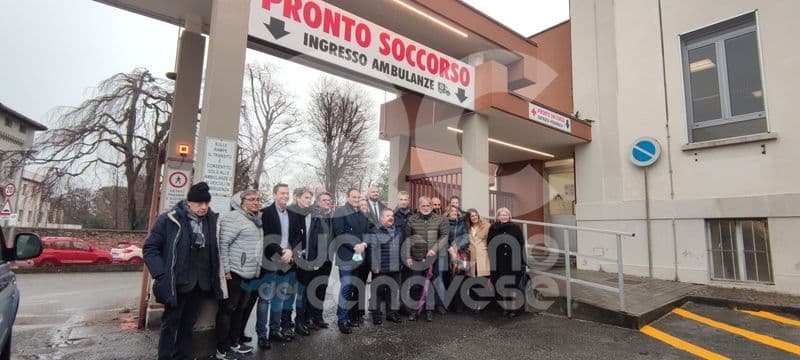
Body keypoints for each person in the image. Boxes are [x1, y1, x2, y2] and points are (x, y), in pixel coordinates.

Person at [143, 182, 226, 360]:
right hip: (177, 283)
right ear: (189, 202)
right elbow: (150, 248)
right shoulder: (169, 219)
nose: (203, 207)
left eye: (206, 203)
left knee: (188, 325)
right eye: (199, 203)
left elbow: (216, 251)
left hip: (200, 284)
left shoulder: (212, 221)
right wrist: (161, 274)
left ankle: (182, 356)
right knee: (170, 324)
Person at [215, 190, 263, 359]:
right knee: (228, 309)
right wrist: (226, 270)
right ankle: (222, 348)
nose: (256, 202)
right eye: (251, 199)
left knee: (240, 309)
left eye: (258, 199)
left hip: (250, 273)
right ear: (242, 202)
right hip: (235, 272)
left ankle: (234, 342)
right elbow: (223, 244)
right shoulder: (234, 217)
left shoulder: (255, 219)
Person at [257, 184, 298, 344]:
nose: (285, 196)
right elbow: (267, 237)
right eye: (282, 193)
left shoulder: (293, 214)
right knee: (265, 299)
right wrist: (281, 252)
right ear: (274, 195)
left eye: (287, 193)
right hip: (270, 261)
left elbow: (296, 236)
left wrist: (290, 251)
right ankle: (262, 334)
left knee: (279, 298)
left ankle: (275, 330)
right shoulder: (266, 213)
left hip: (287, 262)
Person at [403, 196, 449, 322]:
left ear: (431, 206)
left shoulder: (440, 219)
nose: (426, 207)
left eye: (428, 205)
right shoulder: (412, 219)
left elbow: (444, 236)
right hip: (416, 258)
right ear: (419, 206)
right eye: (423, 205)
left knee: (431, 285)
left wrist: (435, 248)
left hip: (432, 258)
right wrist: (407, 256)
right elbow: (407, 239)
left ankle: (429, 310)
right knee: (415, 285)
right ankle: (414, 310)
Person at [332, 188, 371, 334]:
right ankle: (342, 320)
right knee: (346, 288)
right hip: (346, 256)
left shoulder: (361, 214)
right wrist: (355, 245)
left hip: (358, 256)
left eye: (358, 197)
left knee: (352, 288)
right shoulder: (340, 212)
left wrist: (364, 244)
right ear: (348, 197)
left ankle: (346, 316)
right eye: (353, 197)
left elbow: (367, 233)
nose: (356, 199)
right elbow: (339, 234)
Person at [301, 191, 334, 330]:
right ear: (318, 202)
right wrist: (314, 261)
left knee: (321, 289)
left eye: (329, 200)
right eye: (324, 200)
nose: (327, 202)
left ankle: (318, 317)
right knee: (311, 289)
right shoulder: (315, 216)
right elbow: (312, 239)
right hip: (315, 260)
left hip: (327, 259)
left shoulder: (330, 216)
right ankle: (307, 318)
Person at [366, 208, 404, 325]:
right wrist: (374, 265)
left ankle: (391, 314)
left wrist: (401, 262)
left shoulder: (399, 231)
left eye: (392, 215)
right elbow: (372, 250)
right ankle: (376, 315)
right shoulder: (375, 231)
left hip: (395, 267)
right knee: (378, 292)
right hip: (380, 268)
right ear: (381, 218)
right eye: (387, 216)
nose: (390, 217)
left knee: (393, 292)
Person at [488, 207, 526, 318]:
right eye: (501, 215)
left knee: (513, 285)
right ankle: (505, 307)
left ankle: (514, 308)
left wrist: (523, 261)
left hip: (513, 261)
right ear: (498, 217)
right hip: (499, 261)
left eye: (506, 215)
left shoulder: (516, 228)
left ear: (509, 216)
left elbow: (521, 245)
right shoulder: (493, 228)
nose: (503, 216)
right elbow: (490, 245)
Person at [287, 187, 314, 336]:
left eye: (310, 198)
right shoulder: (290, 212)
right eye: (305, 197)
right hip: (291, 259)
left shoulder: (309, 214)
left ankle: (300, 322)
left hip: (306, 259)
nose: (309, 200)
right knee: (289, 293)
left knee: (303, 293)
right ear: (297, 198)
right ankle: (286, 323)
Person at [464, 208, 491, 313]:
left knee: (482, 281)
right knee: (472, 281)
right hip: (471, 257)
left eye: (476, 215)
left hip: (483, 256)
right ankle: (473, 303)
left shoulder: (486, 226)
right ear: (469, 218)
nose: (474, 217)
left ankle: (481, 304)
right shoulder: (467, 228)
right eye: (472, 216)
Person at [445, 205, 469, 313]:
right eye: (452, 211)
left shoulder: (461, 224)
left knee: (460, 278)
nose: (454, 212)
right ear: (448, 213)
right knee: (449, 279)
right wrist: (449, 248)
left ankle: (459, 306)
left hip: (460, 254)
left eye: (456, 211)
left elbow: (466, 238)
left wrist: (456, 247)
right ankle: (449, 305)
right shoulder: (444, 223)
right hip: (447, 254)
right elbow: (442, 237)